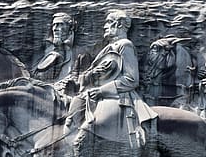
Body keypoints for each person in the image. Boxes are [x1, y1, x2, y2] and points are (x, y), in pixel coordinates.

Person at [67, 10, 157, 147]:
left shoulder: (125, 45)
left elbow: (132, 79)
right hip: (95, 95)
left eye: (109, 22)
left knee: (85, 134)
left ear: (119, 25)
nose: (105, 26)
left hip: (117, 98)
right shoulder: (108, 48)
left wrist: (102, 90)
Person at [32, 13, 88, 92]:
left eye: (59, 25)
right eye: (54, 25)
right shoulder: (48, 53)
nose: (55, 29)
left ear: (70, 28)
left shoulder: (80, 54)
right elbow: (37, 78)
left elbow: (83, 82)